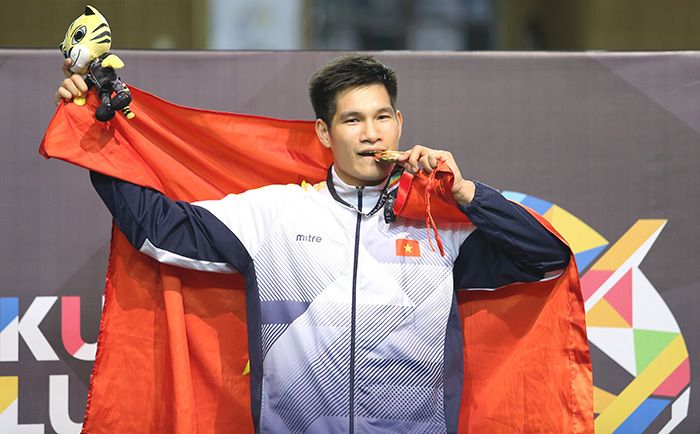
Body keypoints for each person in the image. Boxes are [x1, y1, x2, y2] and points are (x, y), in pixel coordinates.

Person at [55, 54, 570, 434]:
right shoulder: (273, 214)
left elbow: (546, 257)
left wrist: (466, 193)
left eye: (382, 116)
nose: (371, 133)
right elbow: (155, 229)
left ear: (400, 124)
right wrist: (93, 124)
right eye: (352, 119)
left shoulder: (439, 225)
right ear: (324, 133)